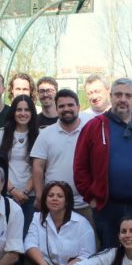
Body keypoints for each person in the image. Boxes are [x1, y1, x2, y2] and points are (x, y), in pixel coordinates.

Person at [74, 77, 132, 250]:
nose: (123, 99)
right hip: (108, 207)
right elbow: (80, 165)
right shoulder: (95, 126)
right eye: (118, 94)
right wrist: (91, 197)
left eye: (128, 95)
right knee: (110, 256)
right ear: (111, 96)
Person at [30, 88, 90, 224]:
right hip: (54, 204)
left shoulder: (89, 131)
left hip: (85, 204)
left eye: (70, 105)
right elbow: (38, 167)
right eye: (61, 106)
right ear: (56, 109)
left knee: (87, 243)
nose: (66, 109)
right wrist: (40, 196)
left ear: (78, 107)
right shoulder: (45, 134)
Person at [0, 94, 40, 231]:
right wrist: (12, 190)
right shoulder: (1, 134)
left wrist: (24, 192)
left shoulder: (39, 135)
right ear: (13, 112)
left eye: (27, 110)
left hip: (29, 197)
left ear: (32, 113)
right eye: (19, 110)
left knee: (27, 238)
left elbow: (39, 167)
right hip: (6, 195)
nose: (23, 113)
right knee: (5, 236)